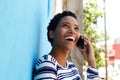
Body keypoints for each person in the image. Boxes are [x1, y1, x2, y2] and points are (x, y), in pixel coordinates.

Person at [33, 11, 98, 80]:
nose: (72, 31)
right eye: (65, 25)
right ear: (51, 34)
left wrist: (91, 61)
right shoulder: (47, 65)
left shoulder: (72, 68)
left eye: (76, 28)